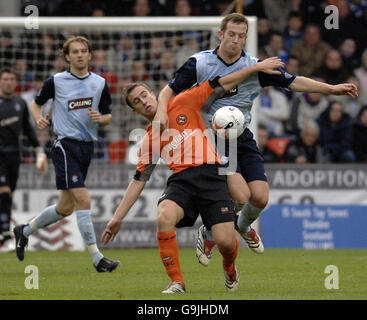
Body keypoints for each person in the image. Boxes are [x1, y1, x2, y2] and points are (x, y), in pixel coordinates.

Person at [153, 13, 358, 266]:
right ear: (221, 34)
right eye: (231, 35)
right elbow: (169, 90)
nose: (235, 41)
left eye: (241, 37)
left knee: (260, 197)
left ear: (246, 38)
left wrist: (332, 89)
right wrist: (161, 110)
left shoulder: (257, 66)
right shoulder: (200, 63)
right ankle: (209, 232)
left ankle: (241, 225)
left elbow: (294, 82)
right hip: (211, 139)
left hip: (241, 135)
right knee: (240, 194)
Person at [101, 57, 285, 293]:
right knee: (164, 216)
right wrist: (117, 218)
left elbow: (219, 82)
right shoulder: (148, 139)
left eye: (144, 95)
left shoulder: (184, 101)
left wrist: (256, 68)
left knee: (227, 242)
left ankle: (229, 268)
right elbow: (139, 181)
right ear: (134, 110)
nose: (143, 101)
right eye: (136, 101)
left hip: (212, 173)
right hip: (182, 182)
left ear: (153, 93)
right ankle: (176, 281)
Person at [13, 36, 119, 272]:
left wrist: (101, 119)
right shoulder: (56, 81)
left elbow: (108, 115)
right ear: (67, 57)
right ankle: (97, 258)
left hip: (87, 147)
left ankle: (24, 230)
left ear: (90, 55)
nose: (80, 55)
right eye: (75, 52)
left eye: (84, 51)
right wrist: (38, 118)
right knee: (83, 199)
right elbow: (35, 103)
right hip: (64, 145)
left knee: (65, 207)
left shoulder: (100, 83)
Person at [0, 68, 46, 251]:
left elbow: (27, 129)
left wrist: (38, 149)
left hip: (14, 155)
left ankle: (3, 234)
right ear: (0, 82)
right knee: (3, 192)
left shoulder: (20, 103)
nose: (8, 82)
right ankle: (4, 234)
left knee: (8, 195)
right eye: (5, 79)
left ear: (15, 83)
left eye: (11, 79)